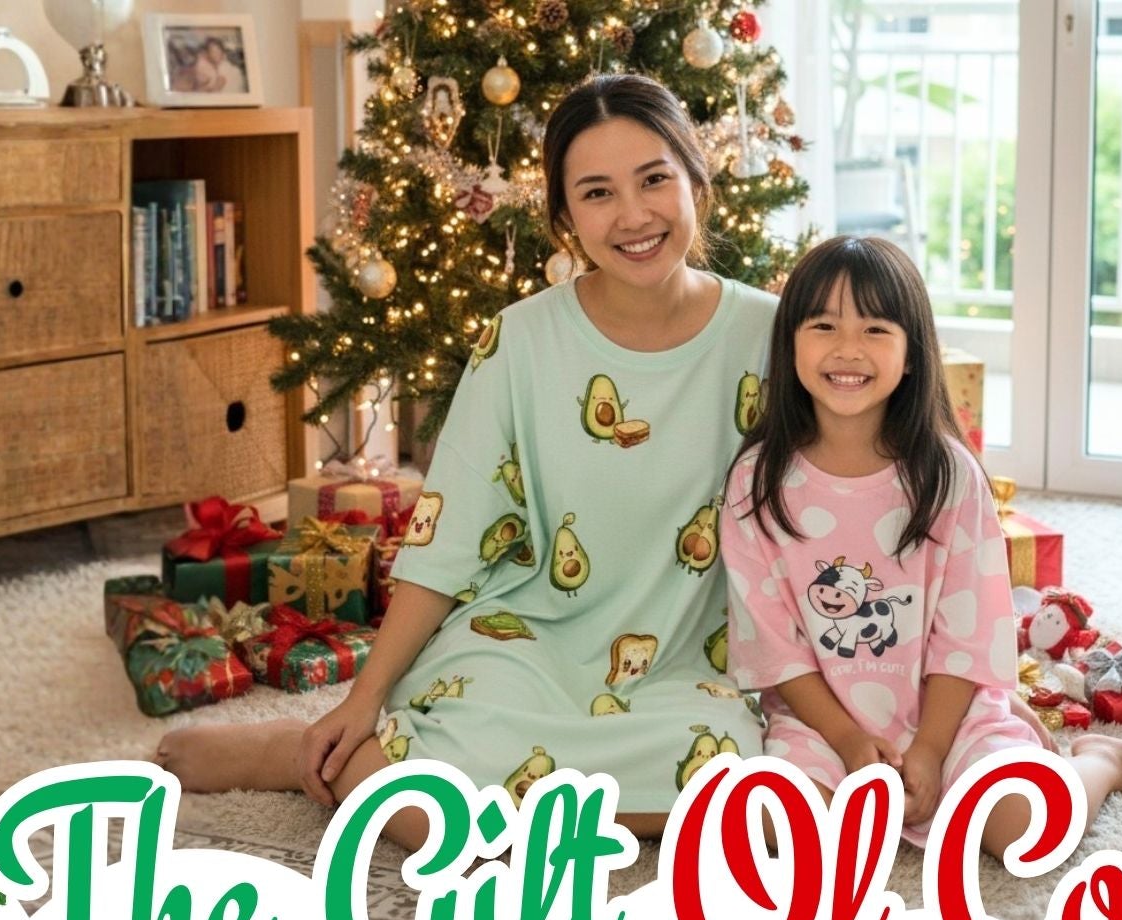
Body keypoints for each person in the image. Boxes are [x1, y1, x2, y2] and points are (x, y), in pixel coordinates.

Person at [154, 74, 778, 846]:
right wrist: (362, 699)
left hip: (691, 655)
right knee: (428, 817)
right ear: (563, 219)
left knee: (744, 806)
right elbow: (446, 538)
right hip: (529, 638)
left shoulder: (773, 335)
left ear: (696, 180)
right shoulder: (519, 342)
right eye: (596, 193)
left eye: (654, 179)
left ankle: (401, 777)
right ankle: (310, 752)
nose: (634, 215)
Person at [721, 235, 1122, 857]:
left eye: (876, 329)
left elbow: (966, 637)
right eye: (824, 325)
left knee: (1026, 829)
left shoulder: (948, 476)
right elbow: (776, 646)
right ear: (791, 343)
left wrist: (932, 750)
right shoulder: (758, 481)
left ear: (914, 353)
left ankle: (1105, 761)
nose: (847, 349)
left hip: (950, 713)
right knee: (777, 832)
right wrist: (848, 741)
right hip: (820, 720)